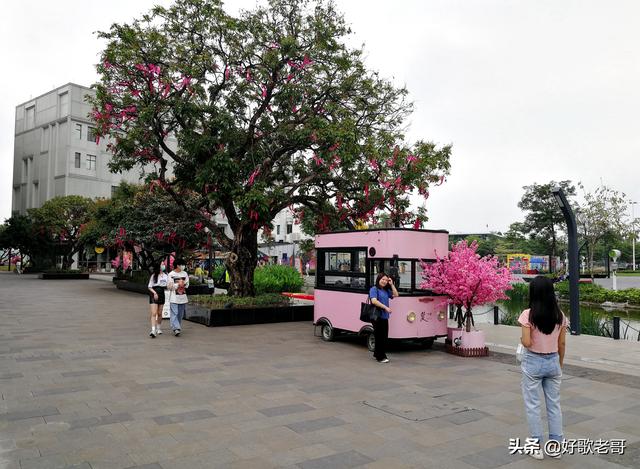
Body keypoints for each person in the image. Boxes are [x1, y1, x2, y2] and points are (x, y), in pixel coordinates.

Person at [518, 276, 567, 460]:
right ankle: (555, 446)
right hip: (553, 361)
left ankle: (536, 446)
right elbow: (562, 344)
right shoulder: (560, 315)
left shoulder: (527, 315)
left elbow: (527, 342)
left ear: (534, 292)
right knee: (554, 405)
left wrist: (522, 340)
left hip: (533, 363)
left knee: (533, 405)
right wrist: (559, 365)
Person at [369, 272, 398, 363]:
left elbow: (396, 295)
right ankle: (380, 356)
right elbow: (374, 301)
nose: (384, 281)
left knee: (384, 336)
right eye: (383, 279)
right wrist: (385, 307)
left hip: (385, 316)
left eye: (386, 280)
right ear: (378, 279)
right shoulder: (374, 289)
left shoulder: (385, 290)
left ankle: (376, 353)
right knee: (380, 337)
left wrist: (392, 284)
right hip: (377, 316)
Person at [167, 259, 189, 336]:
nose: (183, 266)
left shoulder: (185, 273)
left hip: (182, 297)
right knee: (174, 313)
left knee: (180, 314)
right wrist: (178, 284)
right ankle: (176, 328)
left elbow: (187, 284)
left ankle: (177, 327)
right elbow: (169, 287)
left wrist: (184, 284)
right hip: (174, 298)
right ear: (177, 265)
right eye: (182, 265)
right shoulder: (171, 274)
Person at [147, 263, 168, 338]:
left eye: (163, 264)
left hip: (162, 293)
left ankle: (158, 328)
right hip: (154, 294)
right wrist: (155, 293)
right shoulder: (153, 276)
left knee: (159, 313)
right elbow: (149, 287)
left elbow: (168, 285)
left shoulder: (166, 276)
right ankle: (153, 330)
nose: (163, 265)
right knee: (154, 313)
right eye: (162, 264)